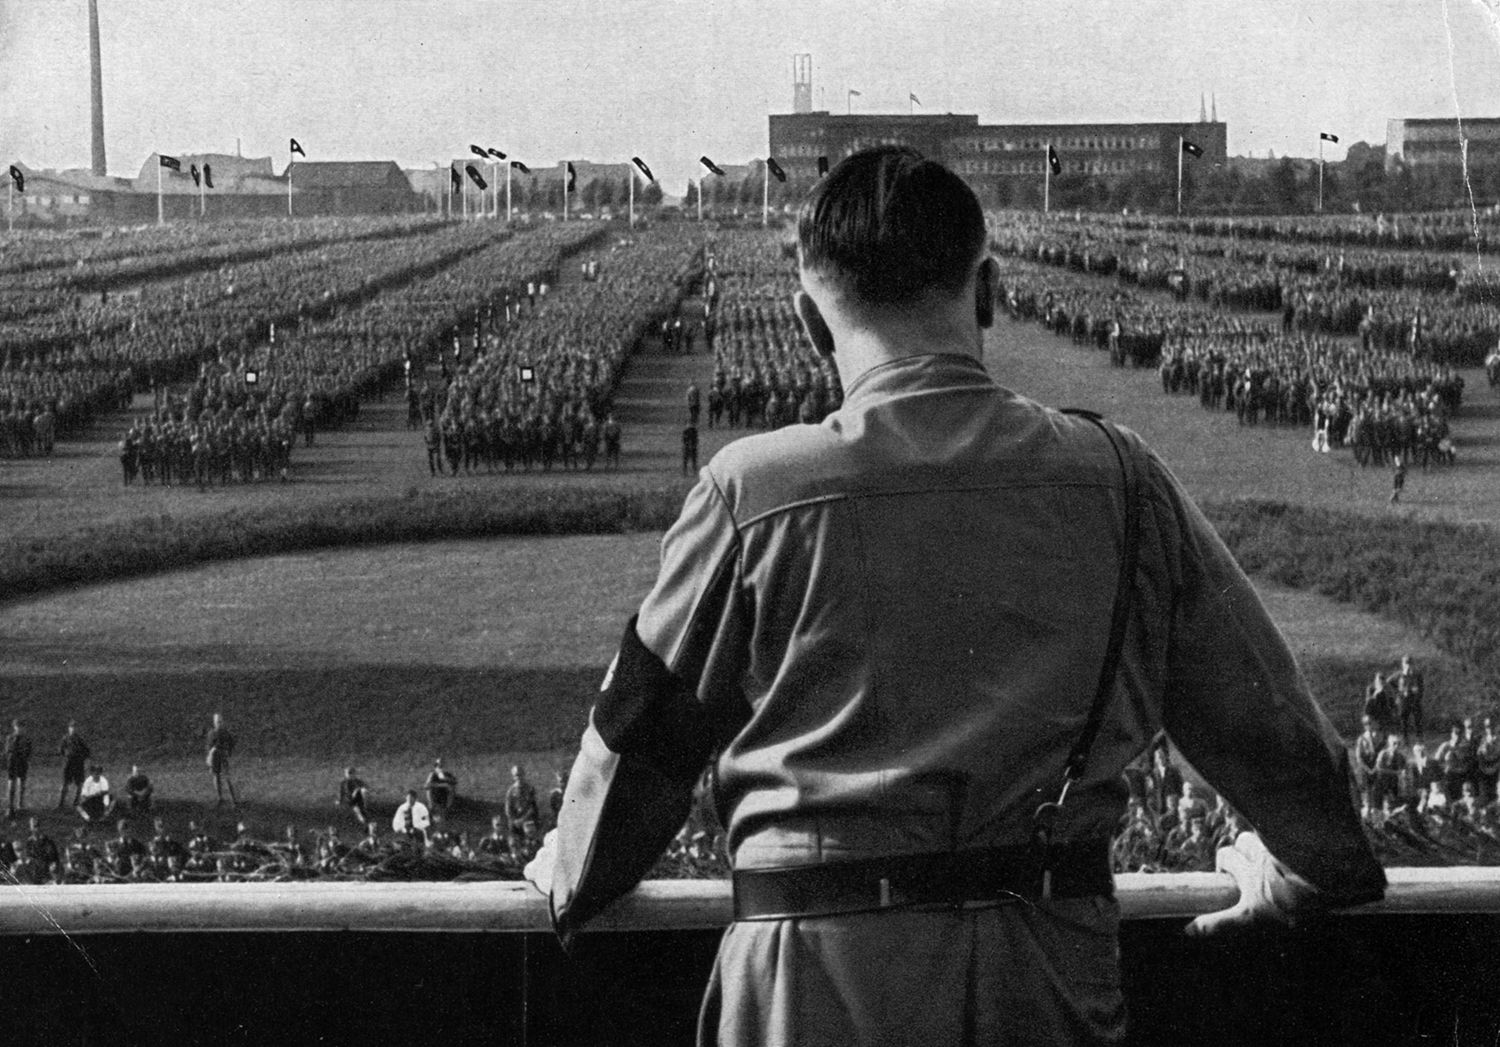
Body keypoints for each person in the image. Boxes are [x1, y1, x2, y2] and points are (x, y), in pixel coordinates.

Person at [525, 147, 1384, 1047]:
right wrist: (1306, 866)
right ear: (988, 291)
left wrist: (573, 869)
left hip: (815, 982)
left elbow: (639, 742)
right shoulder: (1123, 479)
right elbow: (1277, 736)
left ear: (812, 325)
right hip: (1049, 977)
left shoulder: (752, 492)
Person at [206, 713, 238, 808]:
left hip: (223, 756)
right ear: (214, 722)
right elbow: (209, 746)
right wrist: (210, 757)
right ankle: (220, 798)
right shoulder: (211, 733)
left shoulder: (225, 733)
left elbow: (231, 744)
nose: (218, 723)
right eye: (217, 722)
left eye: (220, 721)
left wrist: (228, 752)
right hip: (215, 757)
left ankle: (233, 800)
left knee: (227, 778)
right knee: (216, 777)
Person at [57, 720, 92, 809]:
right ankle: (61, 802)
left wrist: (83, 759)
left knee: (79, 783)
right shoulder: (65, 738)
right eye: (72, 727)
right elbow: (60, 750)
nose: (73, 729)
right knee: (65, 783)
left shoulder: (80, 740)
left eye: (75, 728)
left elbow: (87, 752)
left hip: (78, 763)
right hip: (68, 763)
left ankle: (76, 802)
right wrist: (66, 755)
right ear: (69, 729)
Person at [5, 719, 32, 819]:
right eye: (17, 726)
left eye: (21, 726)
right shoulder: (10, 738)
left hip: (22, 763)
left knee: (22, 784)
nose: (19, 728)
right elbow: (8, 750)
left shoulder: (27, 739)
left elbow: (29, 751)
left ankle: (20, 805)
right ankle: (10, 806)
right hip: (12, 763)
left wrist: (24, 756)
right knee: (11, 785)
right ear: (14, 727)